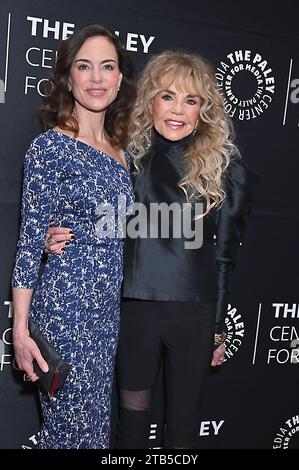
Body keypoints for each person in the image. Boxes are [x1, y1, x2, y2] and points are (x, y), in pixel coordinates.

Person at [46, 50, 259, 449]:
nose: (177, 110)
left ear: (203, 110)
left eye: (190, 100)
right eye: (167, 96)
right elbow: (88, 212)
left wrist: (216, 327)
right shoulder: (125, 157)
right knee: (132, 420)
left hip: (194, 313)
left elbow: (224, 257)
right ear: (149, 101)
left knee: (182, 428)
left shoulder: (223, 170)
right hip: (134, 307)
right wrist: (49, 236)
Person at [11, 24, 135, 449]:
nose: (96, 78)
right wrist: (21, 330)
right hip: (65, 312)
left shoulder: (124, 151)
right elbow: (29, 243)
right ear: (68, 77)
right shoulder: (50, 148)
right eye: (85, 67)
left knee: (94, 438)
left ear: (120, 79)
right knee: (72, 436)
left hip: (107, 320)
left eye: (107, 67)